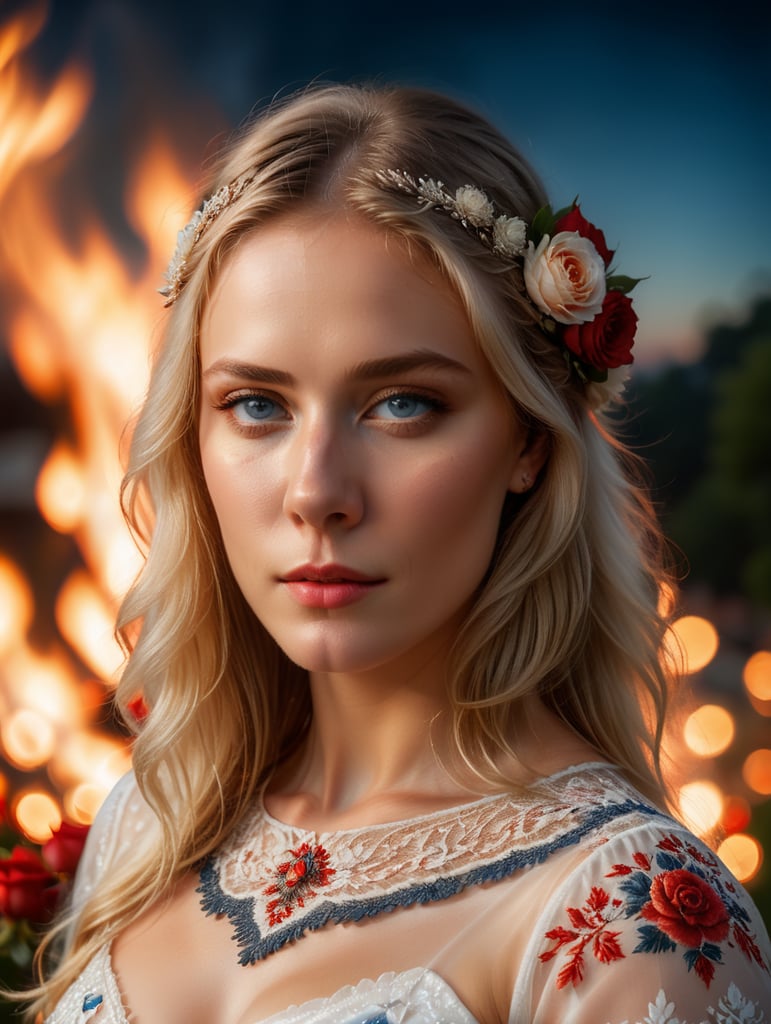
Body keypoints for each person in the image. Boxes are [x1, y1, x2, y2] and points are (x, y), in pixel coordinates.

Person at [26, 83, 770, 1023]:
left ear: (529, 443)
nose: (315, 493)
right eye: (256, 403)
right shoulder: (145, 822)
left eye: (402, 404)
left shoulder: (631, 924)